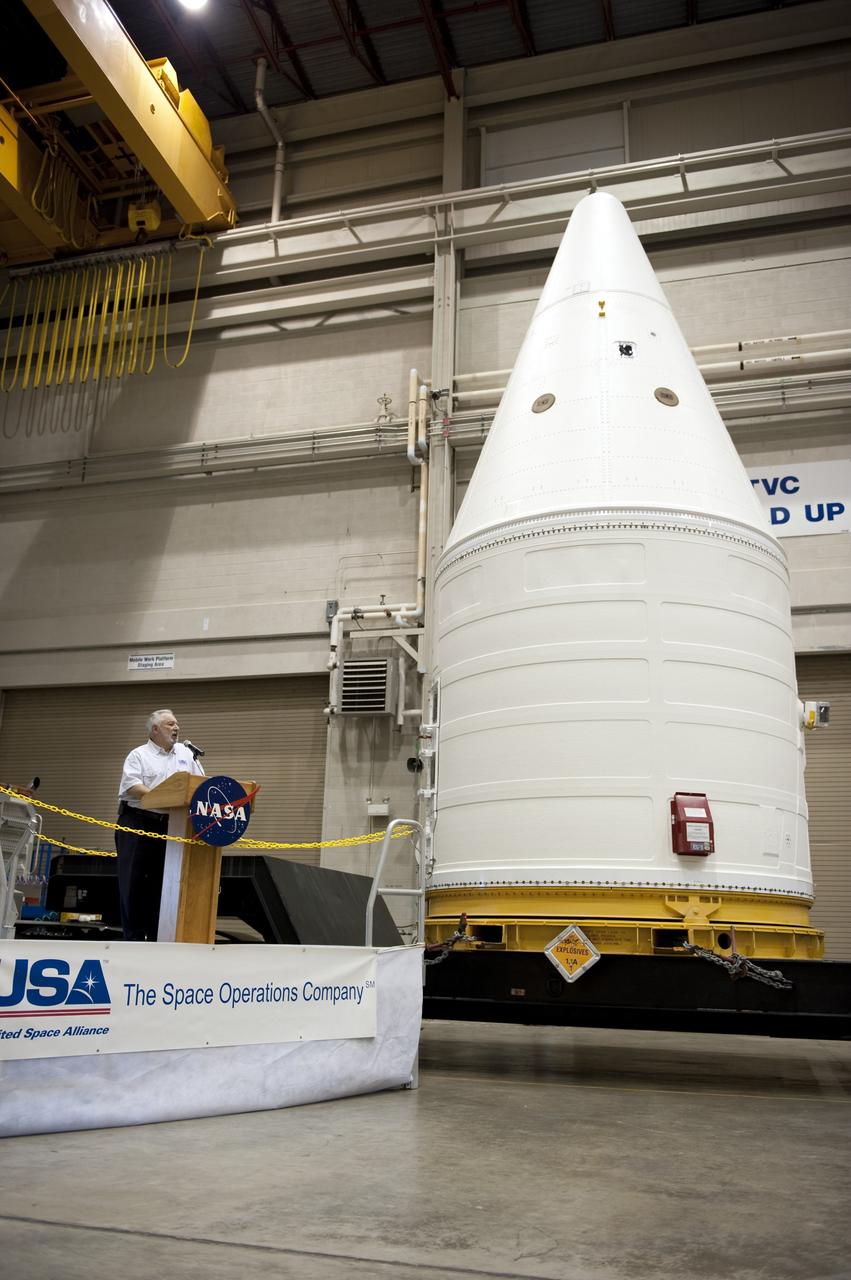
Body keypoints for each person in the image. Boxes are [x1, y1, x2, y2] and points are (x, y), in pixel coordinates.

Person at [115, 709, 204, 941]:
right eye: (169, 724)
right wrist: (164, 796)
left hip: (171, 825)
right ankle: (133, 938)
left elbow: (200, 784)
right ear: (155, 729)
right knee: (133, 882)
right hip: (137, 821)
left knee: (163, 883)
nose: (176, 728)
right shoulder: (139, 755)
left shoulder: (185, 753)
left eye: (177, 724)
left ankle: (158, 938)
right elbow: (132, 786)